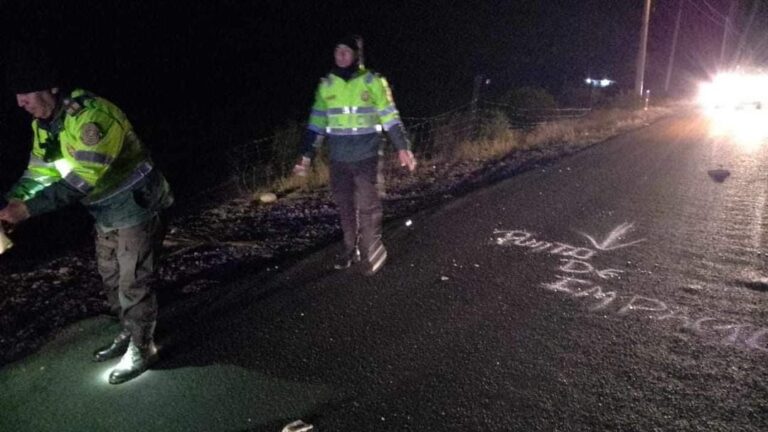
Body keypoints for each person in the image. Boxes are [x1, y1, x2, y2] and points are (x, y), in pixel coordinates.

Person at [0, 50, 173, 384]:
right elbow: (39, 172)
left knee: (133, 281)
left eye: (25, 95)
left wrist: (26, 210)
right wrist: (12, 201)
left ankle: (143, 346)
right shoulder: (45, 125)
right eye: (16, 97)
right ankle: (130, 331)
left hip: (135, 206)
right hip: (104, 211)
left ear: (49, 88)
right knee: (110, 277)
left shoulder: (92, 118)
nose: (20, 103)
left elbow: (81, 181)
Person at [294, 35, 416, 276]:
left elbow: (390, 117)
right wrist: (305, 155)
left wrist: (402, 147)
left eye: (346, 51)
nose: (340, 55)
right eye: (337, 50)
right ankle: (350, 249)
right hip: (339, 159)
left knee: (368, 205)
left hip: (367, 156)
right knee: (345, 207)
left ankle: (371, 248)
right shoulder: (326, 85)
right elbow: (317, 124)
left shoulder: (373, 82)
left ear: (356, 54)